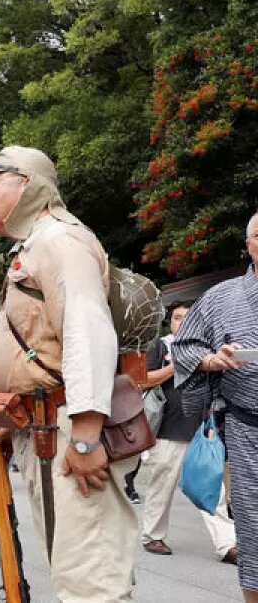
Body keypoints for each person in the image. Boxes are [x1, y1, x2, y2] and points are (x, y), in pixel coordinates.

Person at [0, 146, 137, 601]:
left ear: (27, 185)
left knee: (90, 576)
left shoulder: (60, 241)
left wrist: (85, 436)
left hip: (67, 429)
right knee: (71, 566)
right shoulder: (38, 244)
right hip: (45, 426)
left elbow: (86, 333)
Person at [172, 209, 258, 601]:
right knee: (253, 526)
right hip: (247, 430)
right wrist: (211, 359)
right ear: (248, 245)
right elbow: (187, 346)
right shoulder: (220, 297)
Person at [136, 301, 238, 561]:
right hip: (168, 428)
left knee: (213, 487)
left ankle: (227, 545)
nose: (180, 321)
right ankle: (153, 535)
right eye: (176, 317)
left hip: (202, 429)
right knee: (162, 485)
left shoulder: (207, 349)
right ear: (170, 322)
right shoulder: (162, 345)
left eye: (186, 317)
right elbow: (144, 379)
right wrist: (177, 366)